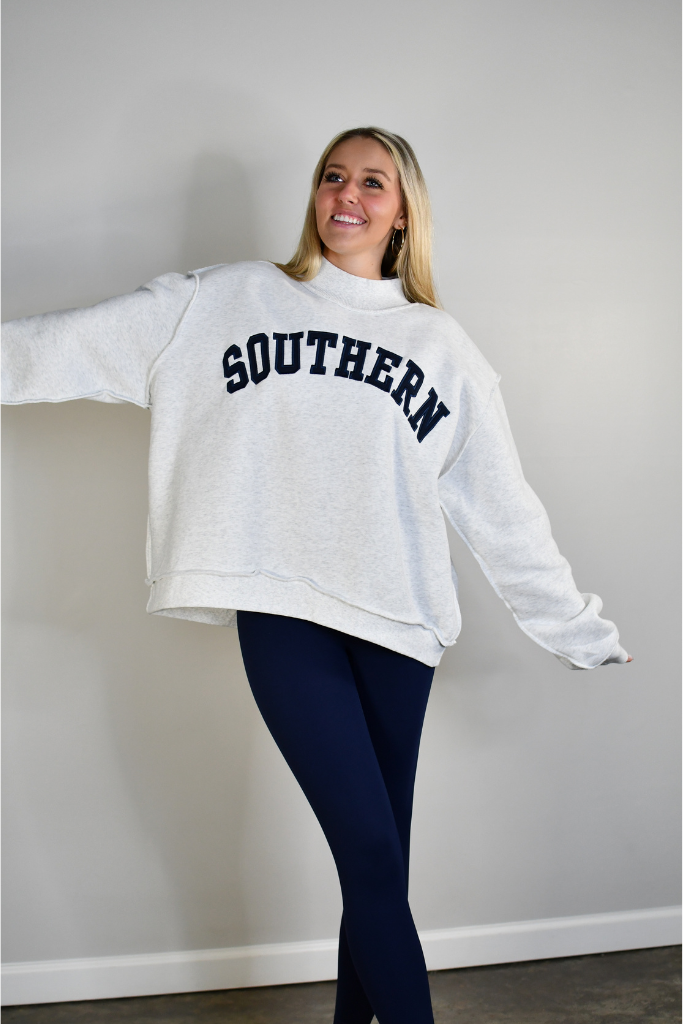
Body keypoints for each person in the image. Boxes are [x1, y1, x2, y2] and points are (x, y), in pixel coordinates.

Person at [2, 126, 631, 1024]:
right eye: (333, 176)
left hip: (400, 624)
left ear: (403, 211)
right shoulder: (225, 300)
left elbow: (502, 507)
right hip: (284, 607)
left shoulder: (440, 345)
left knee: (377, 866)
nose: (346, 194)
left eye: (373, 182)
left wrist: (575, 627)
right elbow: (58, 346)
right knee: (370, 856)